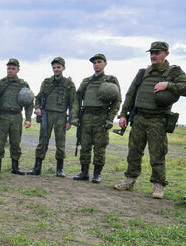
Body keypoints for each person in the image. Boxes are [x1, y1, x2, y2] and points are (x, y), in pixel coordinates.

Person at [114, 41, 186, 198]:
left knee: (157, 153)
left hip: (158, 119)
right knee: (134, 151)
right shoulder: (142, 73)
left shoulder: (174, 72)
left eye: (157, 52)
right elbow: (130, 94)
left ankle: (158, 185)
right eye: (151, 53)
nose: (153, 55)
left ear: (166, 53)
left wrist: (168, 84)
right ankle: (129, 180)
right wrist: (124, 114)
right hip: (139, 118)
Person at [73, 54, 121, 183]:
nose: (96, 65)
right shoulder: (86, 81)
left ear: (105, 63)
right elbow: (77, 99)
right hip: (86, 117)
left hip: (101, 117)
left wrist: (110, 118)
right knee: (85, 146)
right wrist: (75, 116)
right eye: (94, 63)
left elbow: (117, 101)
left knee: (100, 147)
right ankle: (84, 173)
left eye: (99, 62)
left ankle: (97, 174)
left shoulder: (111, 80)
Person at [28, 57, 76, 177]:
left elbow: (73, 103)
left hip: (61, 115)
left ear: (63, 68)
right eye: (54, 67)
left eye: (58, 67)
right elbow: (38, 98)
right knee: (43, 140)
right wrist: (37, 108)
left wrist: (70, 120)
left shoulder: (69, 84)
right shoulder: (47, 82)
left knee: (60, 142)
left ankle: (60, 169)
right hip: (47, 114)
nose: (56, 69)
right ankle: (37, 167)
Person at [0, 58, 33, 175]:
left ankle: (15, 167)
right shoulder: (0, 83)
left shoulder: (23, 84)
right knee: (0, 142)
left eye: (13, 69)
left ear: (18, 70)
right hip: (2, 116)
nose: (10, 71)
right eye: (9, 68)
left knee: (15, 142)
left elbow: (29, 102)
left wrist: (28, 118)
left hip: (16, 117)